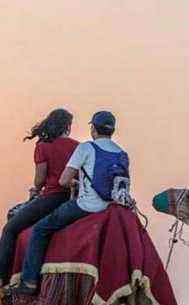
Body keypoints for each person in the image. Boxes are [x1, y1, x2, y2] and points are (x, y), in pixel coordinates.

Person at [9, 110, 128, 295]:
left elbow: (63, 181)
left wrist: (75, 183)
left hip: (86, 205)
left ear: (93, 128)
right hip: (111, 206)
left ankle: (29, 280)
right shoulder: (122, 154)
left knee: (41, 228)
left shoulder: (86, 148)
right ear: (112, 130)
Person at [0, 109, 79, 290]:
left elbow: (40, 180)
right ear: (68, 127)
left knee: (10, 228)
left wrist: (35, 190)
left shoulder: (43, 146)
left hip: (52, 197)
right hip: (73, 198)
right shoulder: (78, 146)